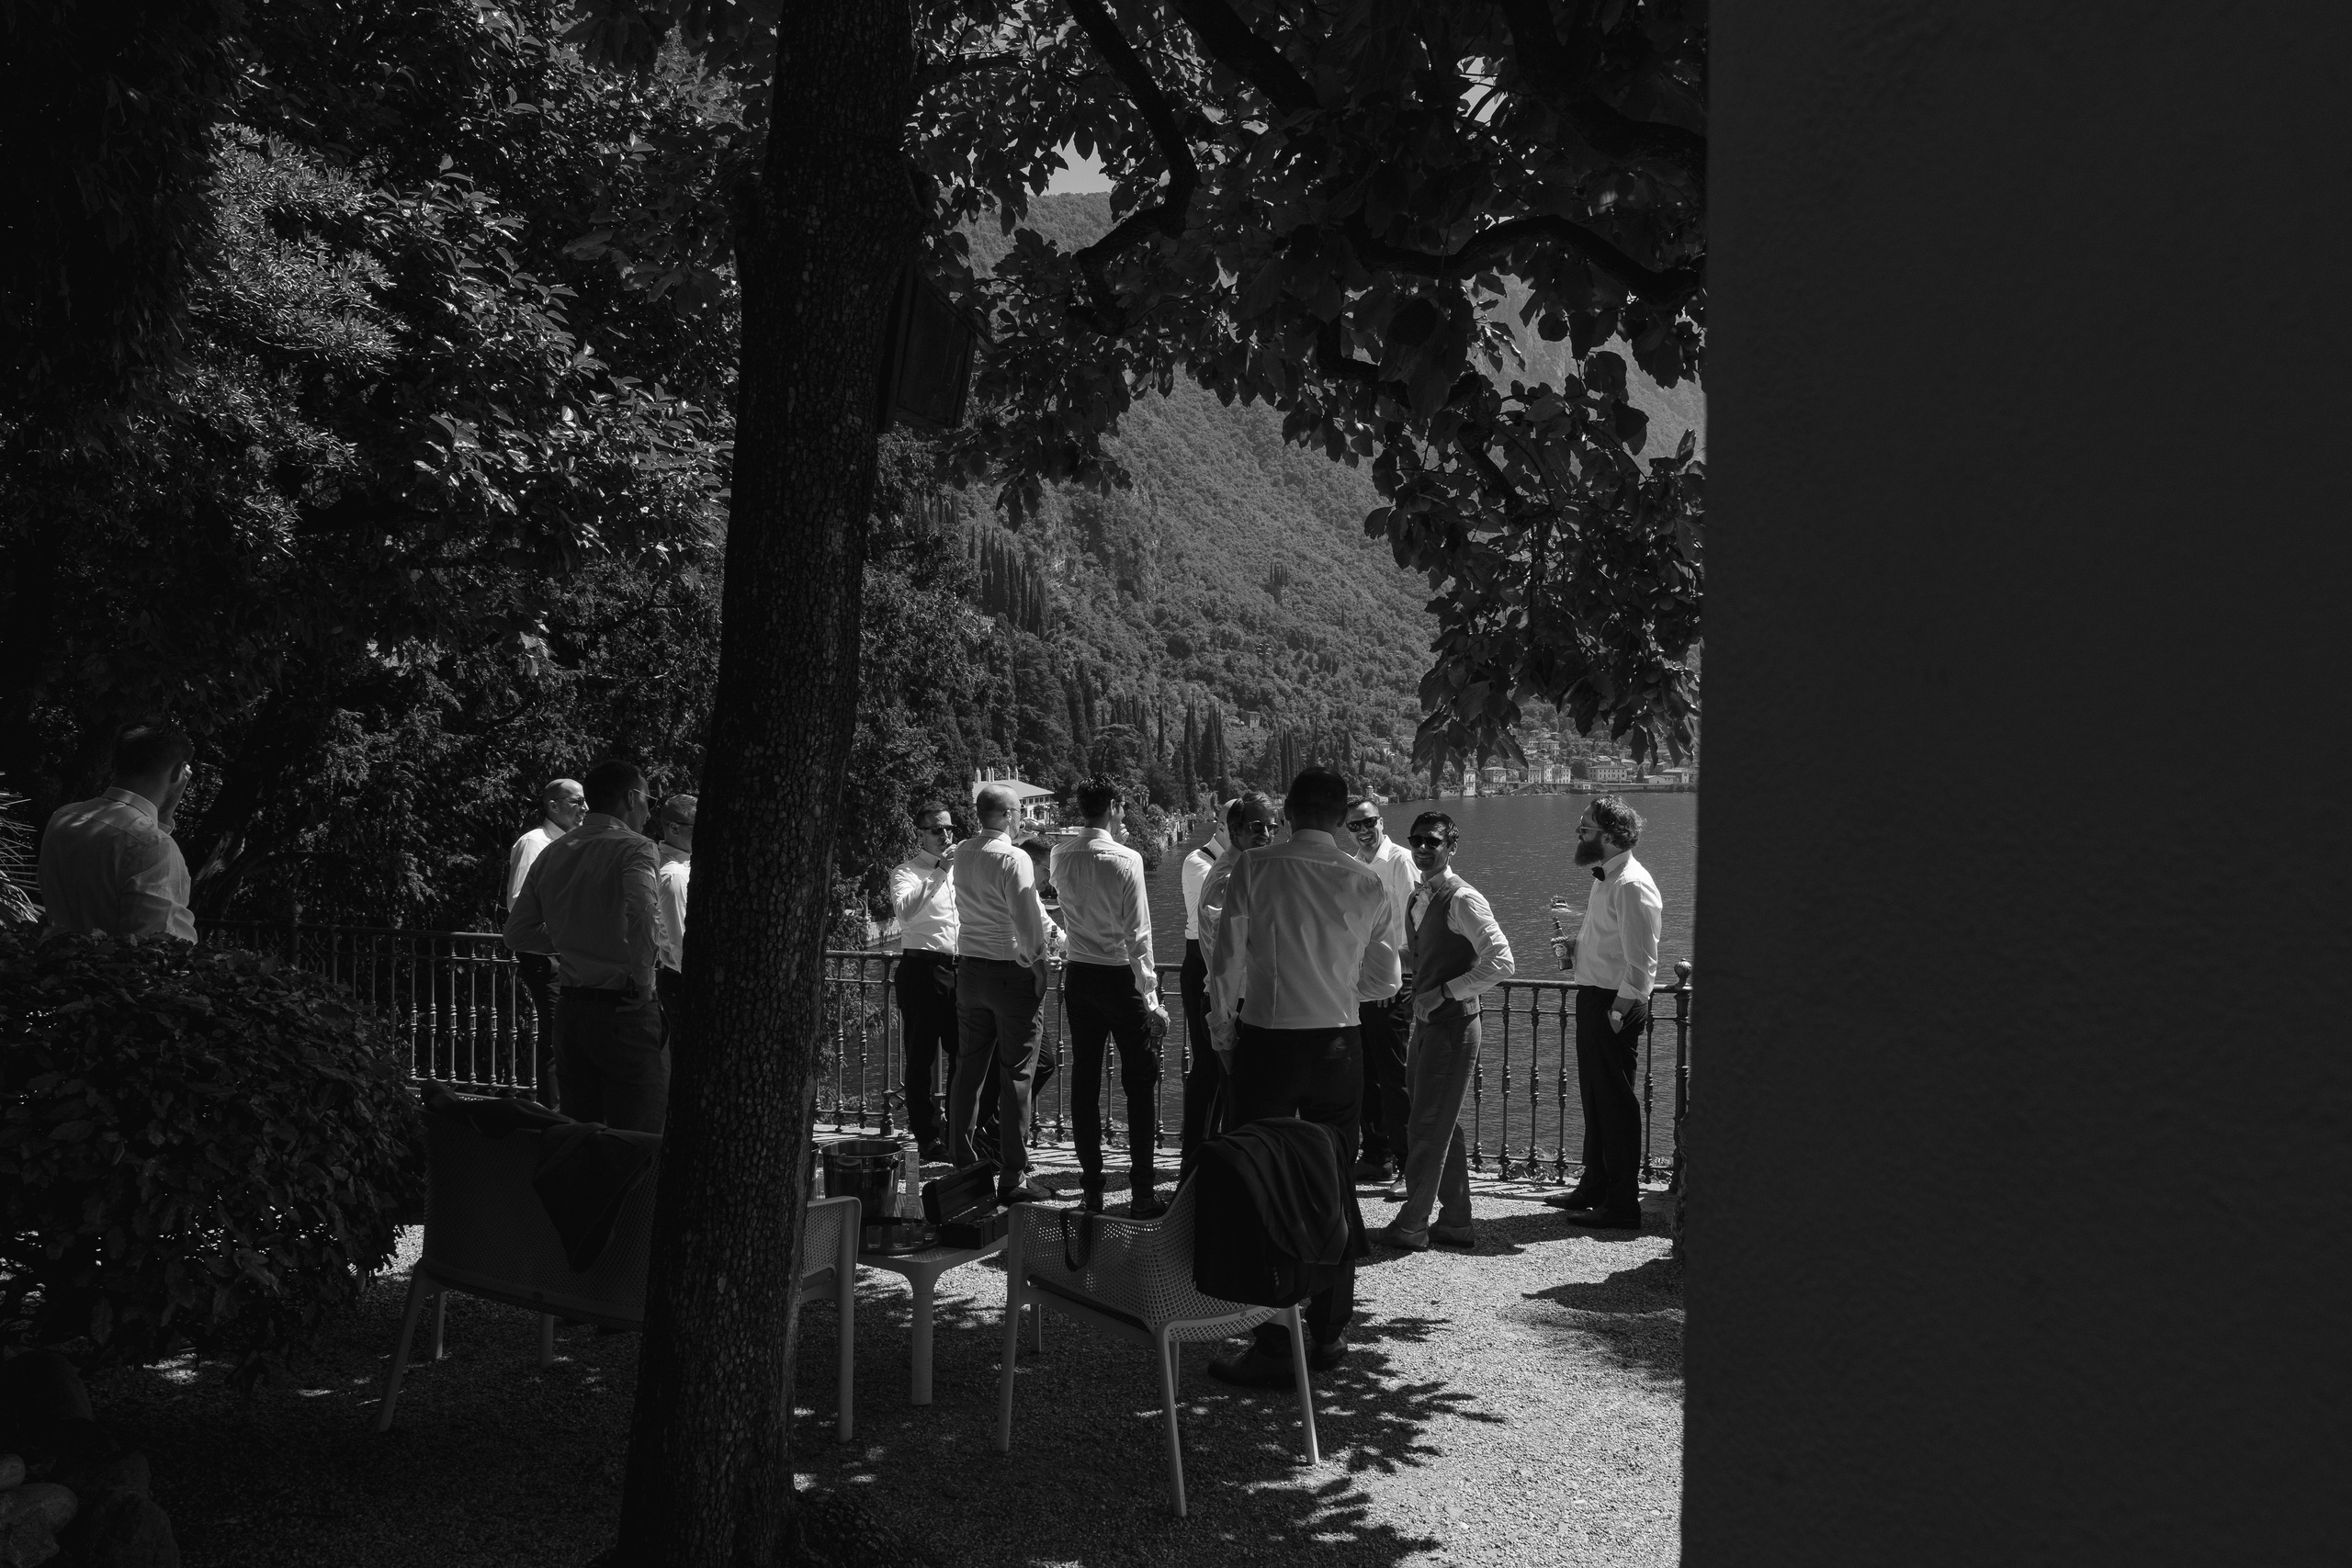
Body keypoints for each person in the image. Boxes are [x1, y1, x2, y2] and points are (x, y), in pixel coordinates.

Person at [1204, 769, 1398, 1385]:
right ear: (1342, 819)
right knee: (1333, 1181)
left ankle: (1271, 1337)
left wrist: (1224, 1037)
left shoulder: (1255, 868)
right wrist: (1339, 988)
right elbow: (1386, 981)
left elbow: (1225, 964)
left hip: (1267, 1041)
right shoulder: (1367, 879)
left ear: (1287, 812)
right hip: (1339, 1044)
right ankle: (1332, 1328)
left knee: (1260, 1179)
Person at [503, 759, 669, 1133]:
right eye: (649, 799)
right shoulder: (635, 848)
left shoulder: (554, 852)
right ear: (631, 798)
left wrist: (572, 941)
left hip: (573, 1011)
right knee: (638, 1137)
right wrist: (644, 984)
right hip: (625, 1009)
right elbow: (643, 915)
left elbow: (516, 934)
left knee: (580, 1136)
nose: (648, 809)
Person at [1378, 812, 1514, 1251]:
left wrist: (1443, 993)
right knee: (1440, 1123)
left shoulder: (1463, 899)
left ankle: (1413, 1223)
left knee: (1424, 1126)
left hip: (1454, 1028)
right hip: (1429, 1024)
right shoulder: (1421, 896)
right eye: (1415, 839)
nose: (1421, 847)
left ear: (1451, 847)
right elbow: (1423, 952)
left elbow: (1502, 961)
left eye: (1432, 841)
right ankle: (1456, 1222)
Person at [1051, 780, 1172, 1216]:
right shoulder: (1127, 858)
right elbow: (1139, 933)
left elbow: (1066, 904)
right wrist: (1153, 998)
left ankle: (1092, 1191)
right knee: (1139, 1083)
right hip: (1120, 978)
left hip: (1079, 975)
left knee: (1084, 1079)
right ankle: (1141, 1192)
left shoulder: (1060, 854)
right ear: (1116, 808)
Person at [1543, 795, 1663, 1229]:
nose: (1578, 834)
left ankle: (1622, 1204)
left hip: (1614, 1003)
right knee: (1595, 1098)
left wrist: (1617, 1011)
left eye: (1585, 829)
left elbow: (1643, 962)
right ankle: (1594, 1186)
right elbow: (1610, 941)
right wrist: (1577, 947)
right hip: (1595, 996)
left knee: (1614, 1103)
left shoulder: (1632, 883)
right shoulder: (1607, 878)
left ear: (1609, 837)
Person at [946, 784, 1055, 1202]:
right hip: (1011, 973)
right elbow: (1029, 924)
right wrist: (1041, 968)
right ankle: (1013, 1176)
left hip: (970, 970)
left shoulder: (963, 853)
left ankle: (964, 1168)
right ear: (1010, 816)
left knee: (968, 1070)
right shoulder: (1015, 858)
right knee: (1017, 1075)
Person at [1182, 793, 1279, 1164]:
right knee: (1239, 1100)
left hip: (1237, 1001)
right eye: (1258, 828)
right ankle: (1212, 1179)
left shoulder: (1245, 867)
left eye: (1273, 827)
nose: (1267, 835)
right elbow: (1231, 947)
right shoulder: (1227, 877)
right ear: (1234, 830)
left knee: (1236, 1098)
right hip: (1233, 1005)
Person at [38, 724, 198, 942]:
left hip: (56, 964)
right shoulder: (153, 844)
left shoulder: (64, 817)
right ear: (179, 771)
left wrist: (166, 810)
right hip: (110, 975)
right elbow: (151, 948)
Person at [1341, 794, 1421, 1191]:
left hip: (1394, 982)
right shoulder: (1352, 864)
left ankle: (1410, 1166)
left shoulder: (1400, 860)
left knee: (1395, 1075)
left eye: (1368, 823)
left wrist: (1397, 975)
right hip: (1360, 982)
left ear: (1381, 821)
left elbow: (1412, 921)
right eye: (1353, 825)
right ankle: (1377, 1156)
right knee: (1364, 1073)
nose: (1362, 832)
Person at [505, 778, 585, 1108]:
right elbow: (517, 903)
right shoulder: (534, 843)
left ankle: (568, 1114)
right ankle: (553, 1119)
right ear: (553, 806)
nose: (584, 809)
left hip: (567, 954)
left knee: (569, 1035)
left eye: (584, 801)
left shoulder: (572, 843)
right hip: (546, 955)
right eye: (576, 802)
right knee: (557, 1038)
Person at [888, 800, 960, 1161]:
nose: (946, 835)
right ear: (921, 835)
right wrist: (938, 873)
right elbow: (904, 911)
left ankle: (960, 1130)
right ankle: (926, 1138)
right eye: (937, 830)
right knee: (919, 1058)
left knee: (965, 1054)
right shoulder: (907, 872)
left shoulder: (961, 870)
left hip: (961, 971)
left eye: (949, 828)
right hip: (921, 971)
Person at [1176, 801, 1231, 1137]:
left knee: (1230, 1064)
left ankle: (1220, 1141)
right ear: (1223, 825)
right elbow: (1226, 906)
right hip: (1201, 964)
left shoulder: (1242, 861)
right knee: (1208, 1062)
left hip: (1229, 965)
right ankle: (1196, 1145)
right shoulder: (1198, 862)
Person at [653, 793, 695, 1055]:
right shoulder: (674, 875)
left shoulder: (679, 867)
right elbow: (681, 944)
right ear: (675, 828)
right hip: (681, 983)